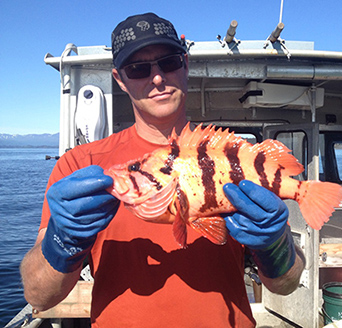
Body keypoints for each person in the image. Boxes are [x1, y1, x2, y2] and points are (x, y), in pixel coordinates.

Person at [21, 12, 305, 327]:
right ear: (120, 80)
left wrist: (276, 245)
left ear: (185, 63)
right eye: (138, 68)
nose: (156, 78)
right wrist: (61, 242)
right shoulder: (79, 165)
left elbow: (286, 284)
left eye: (168, 62)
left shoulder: (232, 156)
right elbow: (39, 296)